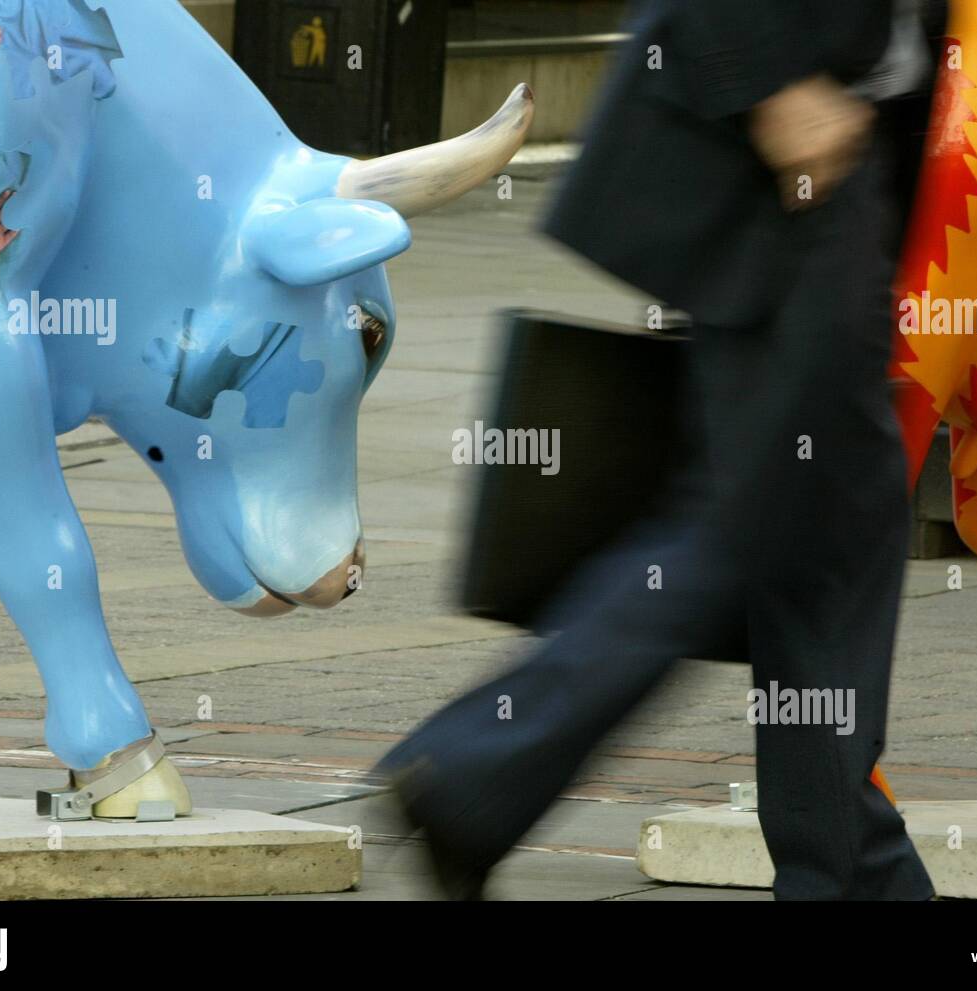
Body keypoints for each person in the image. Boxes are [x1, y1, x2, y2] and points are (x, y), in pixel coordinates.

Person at [378, 0, 941, 900]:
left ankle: (841, 866)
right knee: (764, 520)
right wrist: (774, 84)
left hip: (838, 161)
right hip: (788, 153)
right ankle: (473, 768)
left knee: (816, 526)